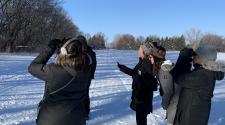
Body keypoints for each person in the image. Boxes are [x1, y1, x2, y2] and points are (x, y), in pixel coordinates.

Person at [28, 38, 91, 125]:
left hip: (51, 120)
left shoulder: (54, 71)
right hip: (78, 120)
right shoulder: (86, 71)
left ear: (64, 51)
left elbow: (32, 67)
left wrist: (50, 48)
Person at [174, 46, 225, 125]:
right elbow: (186, 76)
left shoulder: (203, 75)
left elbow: (179, 78)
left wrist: (183, 57)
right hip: (193, 117)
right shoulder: (204, 72)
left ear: (201, 58)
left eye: (195, 55)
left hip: (189, 119)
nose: (193, 57)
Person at [117, 42, 165, 125]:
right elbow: (135, 73)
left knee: (141, 120)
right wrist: (123, 68)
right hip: (139, 96)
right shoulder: (142, 61)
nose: (138, 50)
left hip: (142, 98)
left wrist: (139, 80)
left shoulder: (147, 63)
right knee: (140, 119)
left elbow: (150, 82)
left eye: (139, 49)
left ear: (143, 51)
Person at [159, 48, 194, 125]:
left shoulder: (176, 71)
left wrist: (164, 105)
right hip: (186, 115)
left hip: (174, 113)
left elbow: (168, 92)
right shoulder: (192, 73)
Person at [77, 35, 97, 120]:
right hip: (81, 76)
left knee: (83, 93)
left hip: (84, 76)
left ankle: (85, 112)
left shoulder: (89, 52)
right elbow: (94, 65)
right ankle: (82, 111)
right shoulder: (79, 50)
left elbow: (94, 65)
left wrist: (91, 74)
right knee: (82, 93)